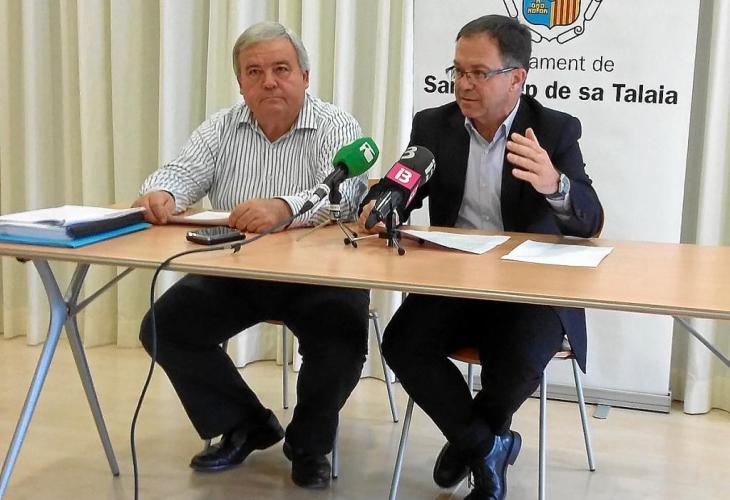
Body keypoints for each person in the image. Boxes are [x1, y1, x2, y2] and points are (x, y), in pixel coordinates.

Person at [359, 15, 603, 500]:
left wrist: (555, 185)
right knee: (403, 344)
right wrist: (385, 206)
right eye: (458, 71)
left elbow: (590, 221)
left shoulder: (553, 130)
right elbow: (404, 186)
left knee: (518, 359)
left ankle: (472, 441)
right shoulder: (434, 125)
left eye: (478, 73)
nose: (464, 84)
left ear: (517, 77)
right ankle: (486, 445)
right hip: (457, 278)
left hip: (529, 287)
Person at [133, 21, 370, 490]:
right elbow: (181, 172)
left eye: (282, 69)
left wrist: (284, 207)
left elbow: (345, 196)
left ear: (305, 76)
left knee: (341, 341)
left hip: (319, 274)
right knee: (164, 327)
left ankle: (309, 444)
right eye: (254, 72)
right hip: (238, 267)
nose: (269, 82)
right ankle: (246, 423)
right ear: (240, 82)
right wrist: (162, 192)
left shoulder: (335, 124)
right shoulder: (222, 126)